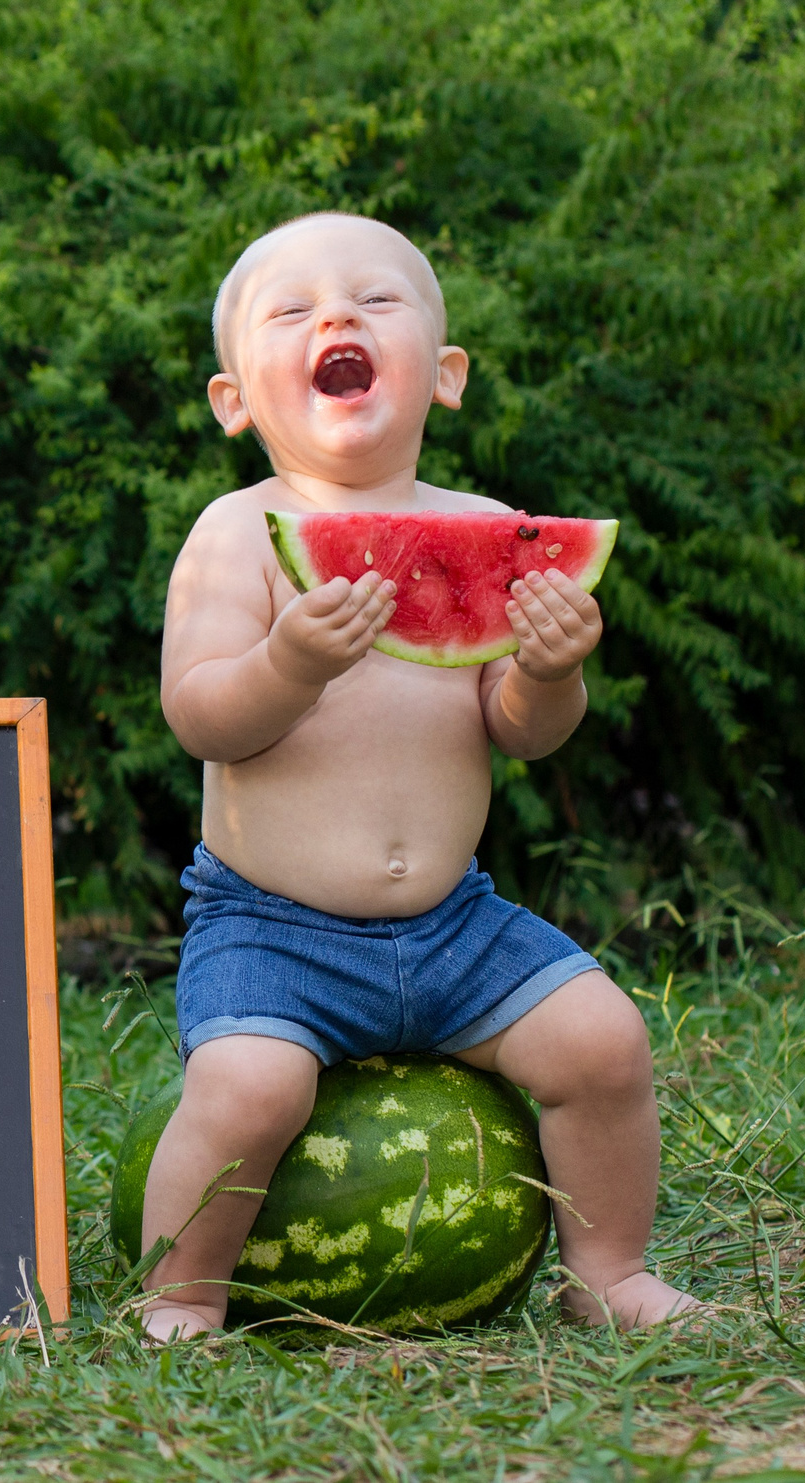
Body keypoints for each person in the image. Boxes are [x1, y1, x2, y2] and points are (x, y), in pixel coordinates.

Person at [141, 212, 698, 1342]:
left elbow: (519, 732)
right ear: (231, 399)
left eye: (374, 301)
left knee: (604, 1045)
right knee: (247, 1092)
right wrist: (287, 661)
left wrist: (549, 673)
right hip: (271, 930)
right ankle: (179, 1295)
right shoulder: (234, 532)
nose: (336, 316)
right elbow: (201, 716)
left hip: (454, 925)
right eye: (291, 311)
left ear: (443, 376)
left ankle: (610, 1269)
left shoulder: (492, 530)